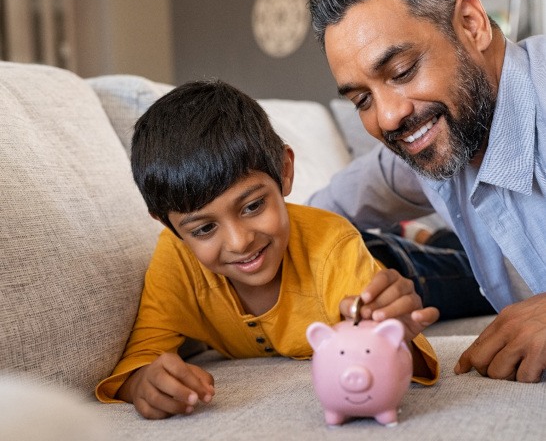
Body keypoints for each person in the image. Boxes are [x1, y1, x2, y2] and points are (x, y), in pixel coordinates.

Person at [94, 79, 440, 419]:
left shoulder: (333, 247)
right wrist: (142, 383)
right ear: (168, 225)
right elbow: (142, 356)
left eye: (253, 206)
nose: (239, 241)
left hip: (394, 265)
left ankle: (426, 238)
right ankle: (413, 234)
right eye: (204, 228)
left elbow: (391, 339)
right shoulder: (176, 261)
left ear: (285, 171)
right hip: (353, 247)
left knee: (455, 270)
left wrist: (395, 332)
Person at [308, 0, 546, 383]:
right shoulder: (426, 145)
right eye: (362, 100)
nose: (387, 116)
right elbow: (306, 220)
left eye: (401, 72)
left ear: (471, 24)